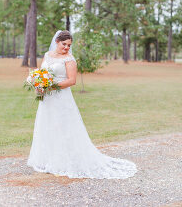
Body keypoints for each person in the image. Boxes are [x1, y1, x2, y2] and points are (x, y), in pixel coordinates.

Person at [27, 30, 137, 178]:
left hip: (61, 98)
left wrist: (51, 87)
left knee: (64, 127)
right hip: (47, 99)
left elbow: (72, 81)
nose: (66, 47)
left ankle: (65, 161)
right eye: (64, 44)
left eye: (69, 45)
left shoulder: (69, 59)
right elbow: (41, 72)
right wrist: (38, 84)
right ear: (57, 42)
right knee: (47, 125)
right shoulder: (47, 55)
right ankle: (49, 159)